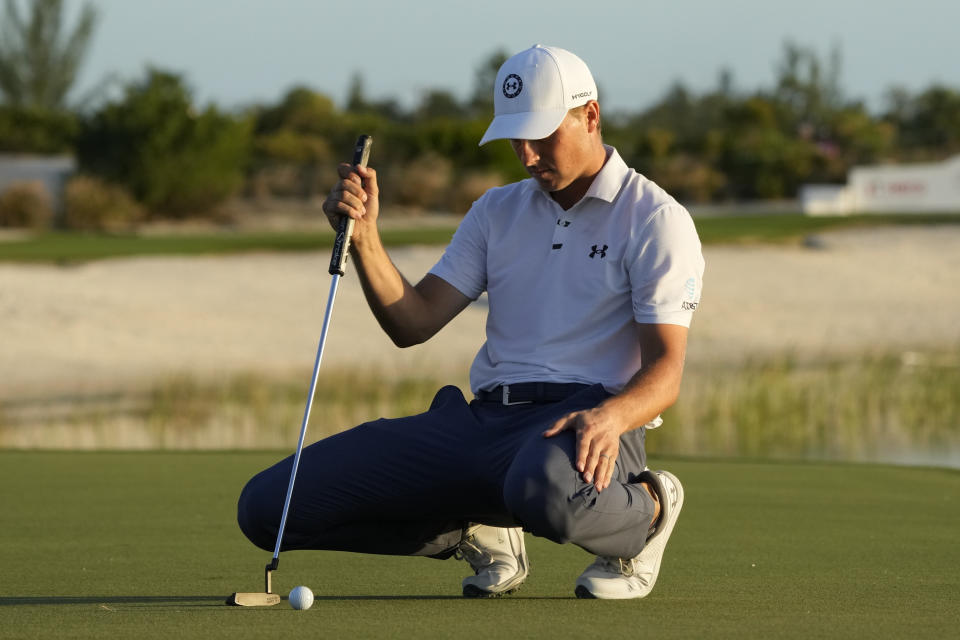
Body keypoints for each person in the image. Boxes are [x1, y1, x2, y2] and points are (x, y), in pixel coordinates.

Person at [237, 44, 704, 600]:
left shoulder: (655, 217)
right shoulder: (496, 211)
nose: (527, 155)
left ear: (590, 116)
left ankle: (648, 510)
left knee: (539, 486)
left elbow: (666, 372)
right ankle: (474, 527)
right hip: (482, 423)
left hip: (579, 424)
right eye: (515, 138)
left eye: (542, 135)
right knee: (269, 507)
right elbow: (412, 321)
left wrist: (612, 416)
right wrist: (365, 240)